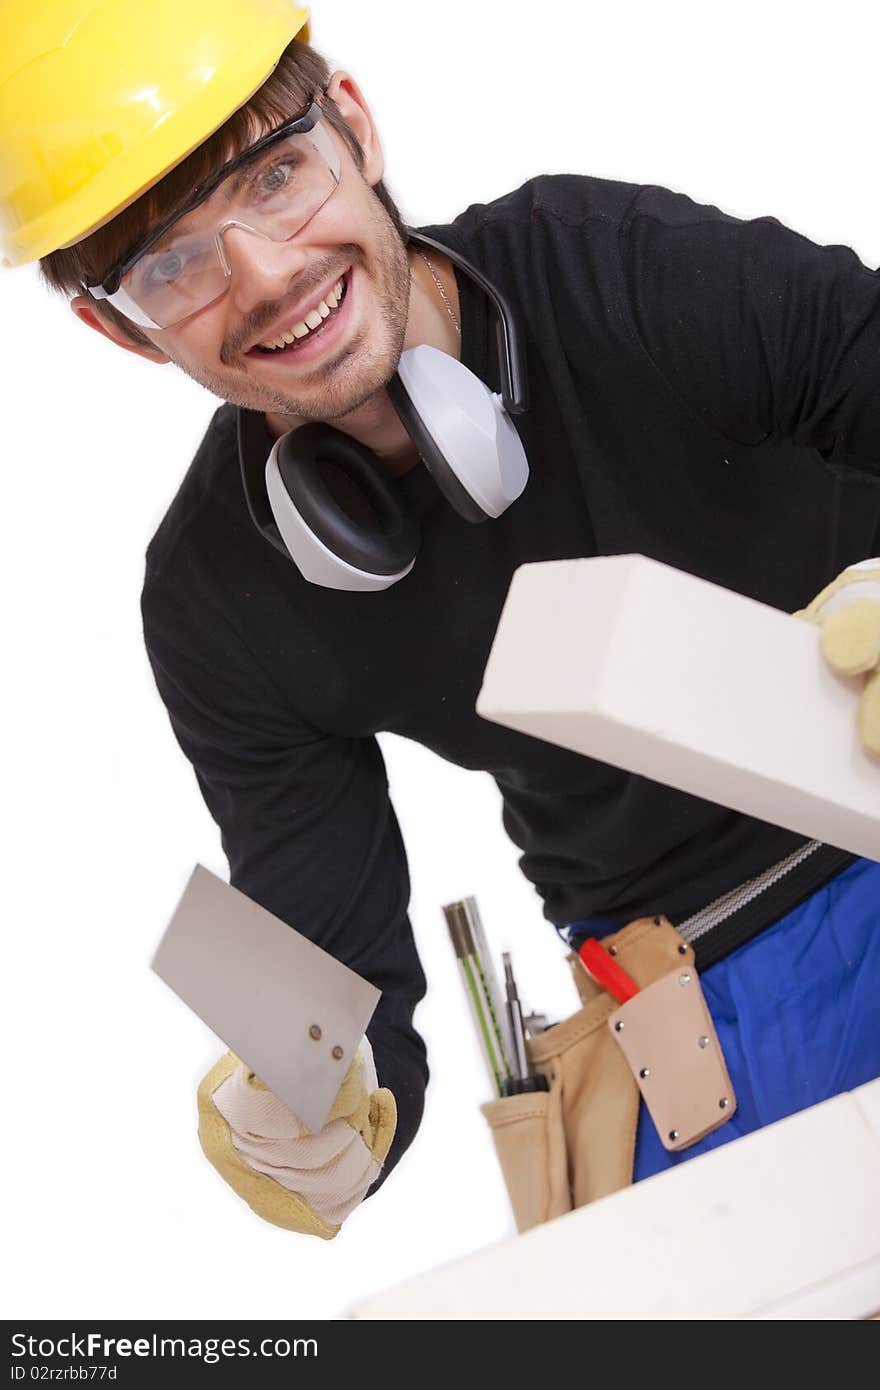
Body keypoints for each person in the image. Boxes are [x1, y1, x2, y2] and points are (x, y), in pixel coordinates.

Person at [5, 0, 878, 1241]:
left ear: (353, 129)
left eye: (275, 174)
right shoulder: (216, 601)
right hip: (695, 1023)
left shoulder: (614, 268)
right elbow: (348, 1016)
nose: (264, 275)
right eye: (170, 263)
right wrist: (321, 1109)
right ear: (117, 328)